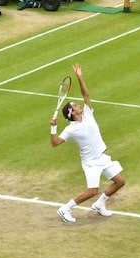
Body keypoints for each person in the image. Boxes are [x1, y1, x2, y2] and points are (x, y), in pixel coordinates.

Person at [51, 63, 126, 222]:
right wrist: (53, 128)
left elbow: (86, 95)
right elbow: (55, 143)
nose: (79, 105)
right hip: (91, 163)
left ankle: (99, 205)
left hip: (102, 157)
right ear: (72, 113)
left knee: (120, 181)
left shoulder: (87, 114)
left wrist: (80, 77)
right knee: (92, 191)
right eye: (75, 105)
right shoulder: (71, 129)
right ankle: (65, 209)